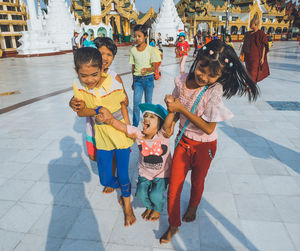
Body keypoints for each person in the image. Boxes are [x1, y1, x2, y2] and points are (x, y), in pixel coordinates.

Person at [160, 39, 259, 243]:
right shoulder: (180, 81)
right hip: (183, 142)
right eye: (201, 70)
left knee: (198, 181)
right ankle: (173, 223)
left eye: (212, 75)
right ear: (197, 60)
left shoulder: (214, 91)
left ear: (221, 75)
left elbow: (208, 127)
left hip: (205, 146)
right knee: (174, 187)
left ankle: (194, 204)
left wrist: (181, 109)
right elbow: (175, 107)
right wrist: (169, 121)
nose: (204, 77)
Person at [72, 47, 136, 227]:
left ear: (101, 69)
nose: (90, 80)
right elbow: (81, 111)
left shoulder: (114, 81)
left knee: (123, 173)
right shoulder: (78, 86)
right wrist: (98, 111)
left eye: (94, 74)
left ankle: (127, 204)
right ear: (77, 72)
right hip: (101, 135)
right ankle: (123, 188)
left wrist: (128, 127)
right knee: (105, 178)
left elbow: (124, 103)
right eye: (84, 75)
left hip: (120, 132)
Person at [69, 37, 130, 193]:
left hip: (115, 123)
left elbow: (125, 101)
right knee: (98, 156)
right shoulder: (85, 76)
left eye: (109, 54)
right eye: (101, 53)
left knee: (116, 154)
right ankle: (111, 179)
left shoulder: (114, 77)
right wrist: (74, 102)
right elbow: (80, 103)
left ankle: (120, 183)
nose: (105, 58)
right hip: (95, 123)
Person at [97, 103, 175, 222]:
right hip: (145, 173)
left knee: (156, 195)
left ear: (160, 125)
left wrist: (171, 110)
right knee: (140, 193)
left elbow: (168, 123)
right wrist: (109, 119)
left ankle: (157, 209)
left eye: (152, 117)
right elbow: (122, 126)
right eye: (145, 116)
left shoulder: (162, 135)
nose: (146, 118)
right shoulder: (138, 134)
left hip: (162, 174)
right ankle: (149, 207)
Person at [130, 24, 161, 127]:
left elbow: (155, 67)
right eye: (135, 36)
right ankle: (135, 125)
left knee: (148, 104)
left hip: (148, 79)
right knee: (136, 104)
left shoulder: (151, 50)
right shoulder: (133, 50)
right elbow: (133, 67)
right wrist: (133, 82)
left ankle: (148, 124)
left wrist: (147, 69)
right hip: (137, 80)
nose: (137, 38)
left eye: (139, 36)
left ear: (145, 37)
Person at [240, 13, 270, 84]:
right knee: (248, 70)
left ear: (256, 24)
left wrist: (262, 58)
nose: (250, 25)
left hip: (256, 57)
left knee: (254, 71)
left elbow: (264, 46)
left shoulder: (261, 33)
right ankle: (248, 83)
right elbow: (244, 45)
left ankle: (251, 85)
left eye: (251, 24)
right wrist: (241, 54)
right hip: (248, 56)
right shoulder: (248, 34)